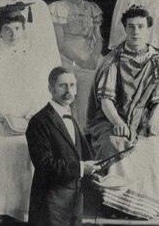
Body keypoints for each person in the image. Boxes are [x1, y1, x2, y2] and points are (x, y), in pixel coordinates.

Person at [0, 6, 55, 221]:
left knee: (24, 146)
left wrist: (27, 116)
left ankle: (21, 208)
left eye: (17, 28)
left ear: (24, 29)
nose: (13, 34)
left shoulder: (35, 59)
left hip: (25, 119)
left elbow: (40, 95)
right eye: (7, 29)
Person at [88, 5, 159, 216]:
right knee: (114, 141)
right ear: (125, 28)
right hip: (113, 117)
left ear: (148, 29)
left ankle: (142, 207)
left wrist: (154, 120)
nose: (136, 32)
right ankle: (115, 205)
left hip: (145, 117)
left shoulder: (157, 59)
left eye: (141, 26)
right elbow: (105, 100)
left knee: (155, 140)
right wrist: (118, 122)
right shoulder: (114, 59)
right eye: (131, 27)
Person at [26, 67, 99, 226]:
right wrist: (81, 168)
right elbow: (44, 165)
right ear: (50, 89)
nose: (69, 91)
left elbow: (79, 155)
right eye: (63, 85)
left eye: (72, 85)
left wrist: (93, 175)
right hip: (50, 205)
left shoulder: (70, 117)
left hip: (74, 203)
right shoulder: (39, 122)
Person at [49, 0, 103, 131]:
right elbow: (60, 42)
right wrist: (81, 61)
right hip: (68, 57)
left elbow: (99, 38)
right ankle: (78, 133)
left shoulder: (93, 8)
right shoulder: (58, 7)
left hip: (91, 54)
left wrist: (94, 57)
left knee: (106, 75)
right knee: (83, 81)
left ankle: (96, 133)